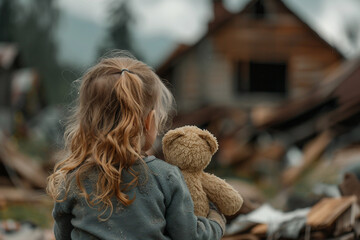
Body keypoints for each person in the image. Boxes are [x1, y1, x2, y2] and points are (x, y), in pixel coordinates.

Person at [47, 51, 226, 240]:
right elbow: (189, 236)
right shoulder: (166, 177)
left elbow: (63, 235)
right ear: (149, 122)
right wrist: (216, 221)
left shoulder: (74, 179)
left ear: (86, 122)